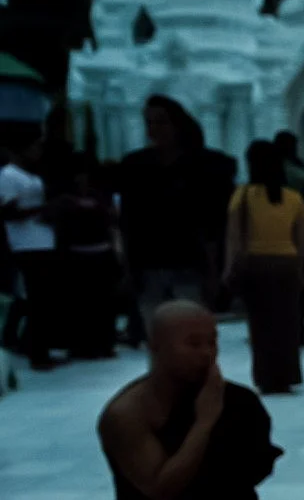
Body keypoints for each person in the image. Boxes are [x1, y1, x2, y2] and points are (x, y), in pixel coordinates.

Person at [97, 301, 304, 500]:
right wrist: (204, 422)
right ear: (156, 347)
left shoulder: (236, 400)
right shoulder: (126, 414)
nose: (206, 353)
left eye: (212, 342)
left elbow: (252, 467)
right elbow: (162, 489)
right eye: (193, 344)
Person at [116, 96, 236, 321]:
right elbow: (128, 221)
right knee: (159, 338)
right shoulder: (135, 166)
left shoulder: (203, 166)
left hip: (190, 264)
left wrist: (213, 271)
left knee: (189, 333)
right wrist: (128, 268)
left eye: (161, 122)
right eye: (149, 123)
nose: (154, 129)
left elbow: (212, 222)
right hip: (149, 265)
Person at [226, 141, 304, 394]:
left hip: (257, 264)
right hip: (287, 264)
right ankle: (287, 374)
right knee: (287, 325)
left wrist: (229, 268)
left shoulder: (244, 195)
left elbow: (234, 236)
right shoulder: (294, 198)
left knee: (261, 326)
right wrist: (301, 269)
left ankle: (266, 376)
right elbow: (301, 239)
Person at [0, 123, 60, 369]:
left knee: (44, 299)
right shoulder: (9, 175)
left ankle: (40, 346)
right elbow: (8, 212)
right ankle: (37, 352)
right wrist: (43, 209)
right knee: (36, 299)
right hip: (26, 244)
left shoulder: (33, 175)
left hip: (43, 240)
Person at [56, 156, 121, 360]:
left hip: (100, 252)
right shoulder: (65, 200)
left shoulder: (101, 197)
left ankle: (104, 343)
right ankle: (83, 345)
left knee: (103, 302)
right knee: (80, 303)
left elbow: (111, 222)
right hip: (77, 254)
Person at [274, 131, 304, 344]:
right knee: (298, 285)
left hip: (272, 240)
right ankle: (298, 330)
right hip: (299, 238)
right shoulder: (301, 176)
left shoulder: (266, 176)